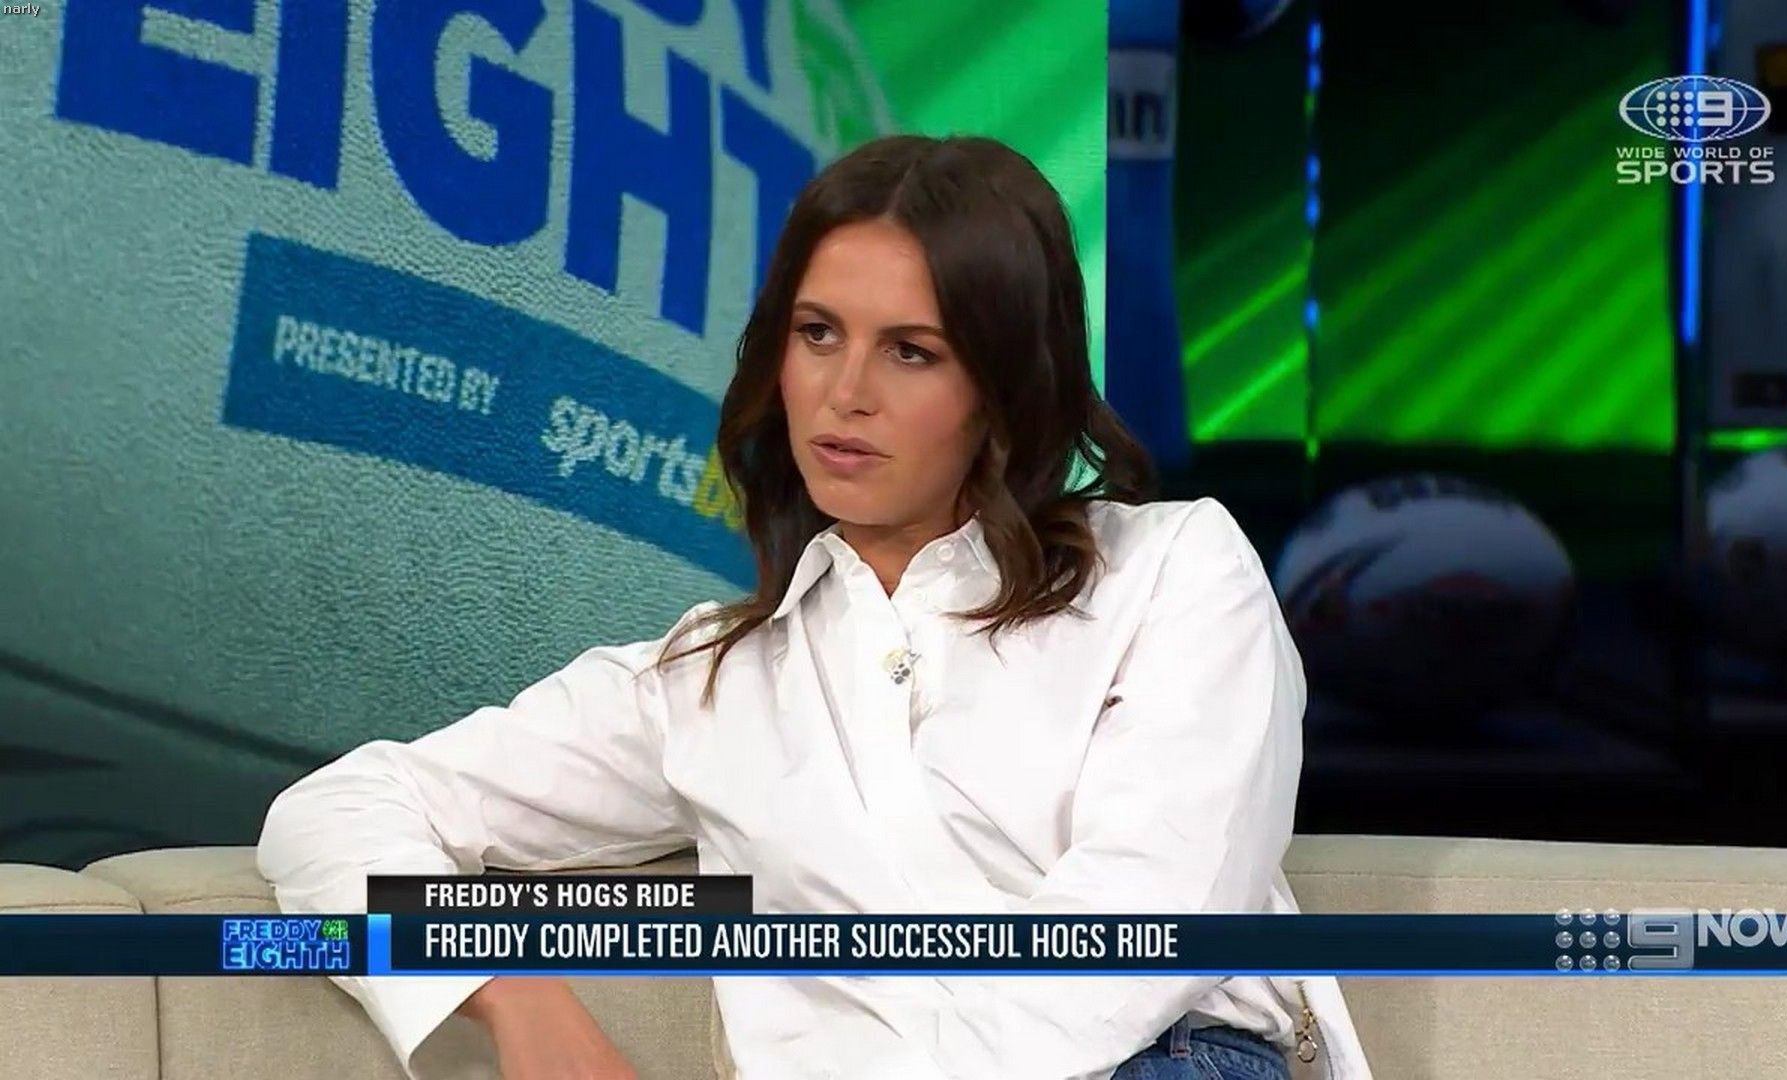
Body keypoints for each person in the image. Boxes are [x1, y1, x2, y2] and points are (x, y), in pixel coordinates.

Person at [255, 134, 1373, 1080]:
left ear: (1002, 389)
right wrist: (511, 993)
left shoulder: (1174, 570)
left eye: (912, 352)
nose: (846, 394)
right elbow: (334, 814)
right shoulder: (705, 681)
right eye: (818, 333)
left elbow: (1144, 924)